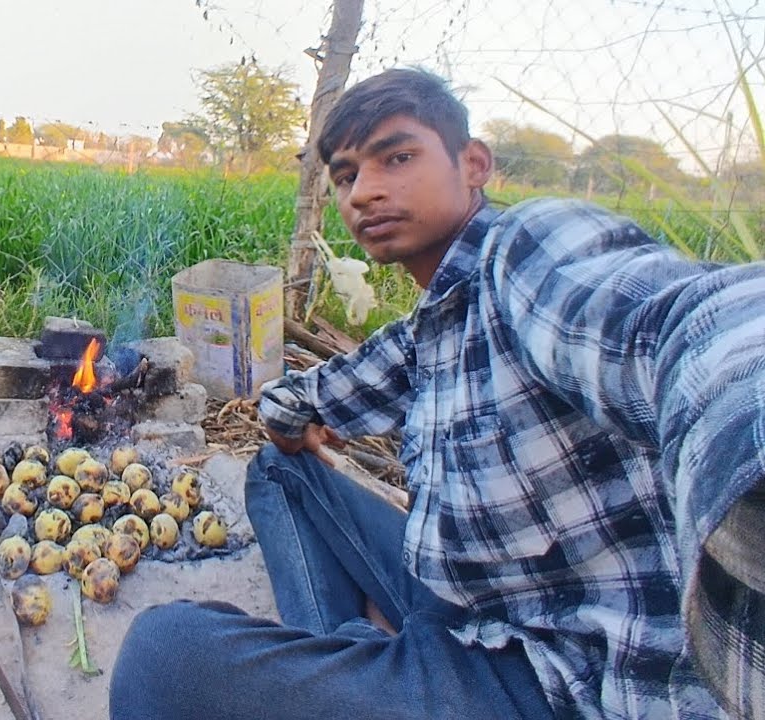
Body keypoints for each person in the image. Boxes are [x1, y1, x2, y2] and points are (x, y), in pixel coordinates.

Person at [109, 68, 765, 719]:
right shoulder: (434, 326)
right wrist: (289, 421)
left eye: (397, 157)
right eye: (345, 176)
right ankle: (352, 656)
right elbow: (306, 398)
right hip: (460, 604)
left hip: (554, 677)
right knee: (281, 470)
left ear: (473, 164)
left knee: (166, 655)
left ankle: (352, 665)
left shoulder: (526, 255)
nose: (364, 192)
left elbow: (681, 332)